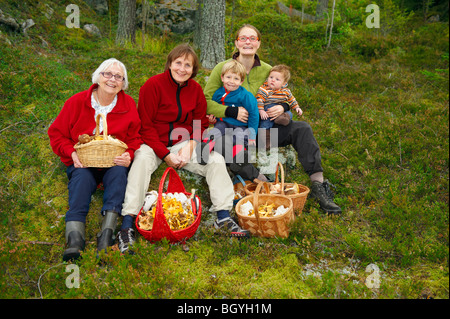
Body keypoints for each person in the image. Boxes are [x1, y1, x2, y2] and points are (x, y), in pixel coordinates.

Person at [120, 43, 250, 250]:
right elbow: (145, 126)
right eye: (178, 63)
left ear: (194, 69)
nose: (182, 69)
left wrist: (190, 145)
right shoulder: (152, 86)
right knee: (141, 161)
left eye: (188, 65)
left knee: (215, 160)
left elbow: (199, 122)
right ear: (170, 63)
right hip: (153, 143)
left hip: (183, 142)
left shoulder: (196, 90)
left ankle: (223, 217)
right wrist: (165, 155)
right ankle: (128, 223)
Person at [203, 24, 342, 215]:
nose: (247, 42)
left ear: (258, 43)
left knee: (302, 128)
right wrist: (229, 112)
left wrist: (283, 107)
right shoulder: (223, 68)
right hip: (234, 130)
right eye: (243, 38)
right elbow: (205, 101)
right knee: (221, 141)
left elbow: (283, 94)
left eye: (252, 38)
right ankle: (260, 179)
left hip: (264, 131)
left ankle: (318, 186)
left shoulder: (268, 69)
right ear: (236, 42)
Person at [48, 58, 142, 261]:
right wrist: (71, 153)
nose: (112, 79)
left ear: (123, 83)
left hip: (112, 162)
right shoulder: (76, 102)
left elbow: (135, 137)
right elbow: (56, 134)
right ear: (98, 77)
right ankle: (75, 238)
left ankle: (106, 234)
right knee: (80, 179)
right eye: (107, 74)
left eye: (118, 77)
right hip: (83, 161)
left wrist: (129, 155)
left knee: (118, 176)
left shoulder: (128, 104)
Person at [210, 59, 259, 147]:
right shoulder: (218, 93)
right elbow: (215, 107)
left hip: (240, 126)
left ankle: (239, 152)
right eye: (228, 77)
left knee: (241, 136)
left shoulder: (246, 96)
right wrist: (212, 117)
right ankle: (206, 147)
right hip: (223, 123)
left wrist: (252, 136)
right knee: (216, 131)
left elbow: (254, 114)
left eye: (236, 78)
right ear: (222, 78)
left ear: (241, 81)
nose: (231, 81)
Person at [256, 64, 303, 149]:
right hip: (268, 109)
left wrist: (297, 107)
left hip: (281, 110)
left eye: (277, 79)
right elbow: (259, 100)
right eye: (271, 77)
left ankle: (282, 119)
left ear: (284, 83)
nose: (273, 80)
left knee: (289, 113)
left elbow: (291, 100)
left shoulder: (286, 91)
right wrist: (261, 110)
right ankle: (265, 139)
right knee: (265, 122)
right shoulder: (265, 89)